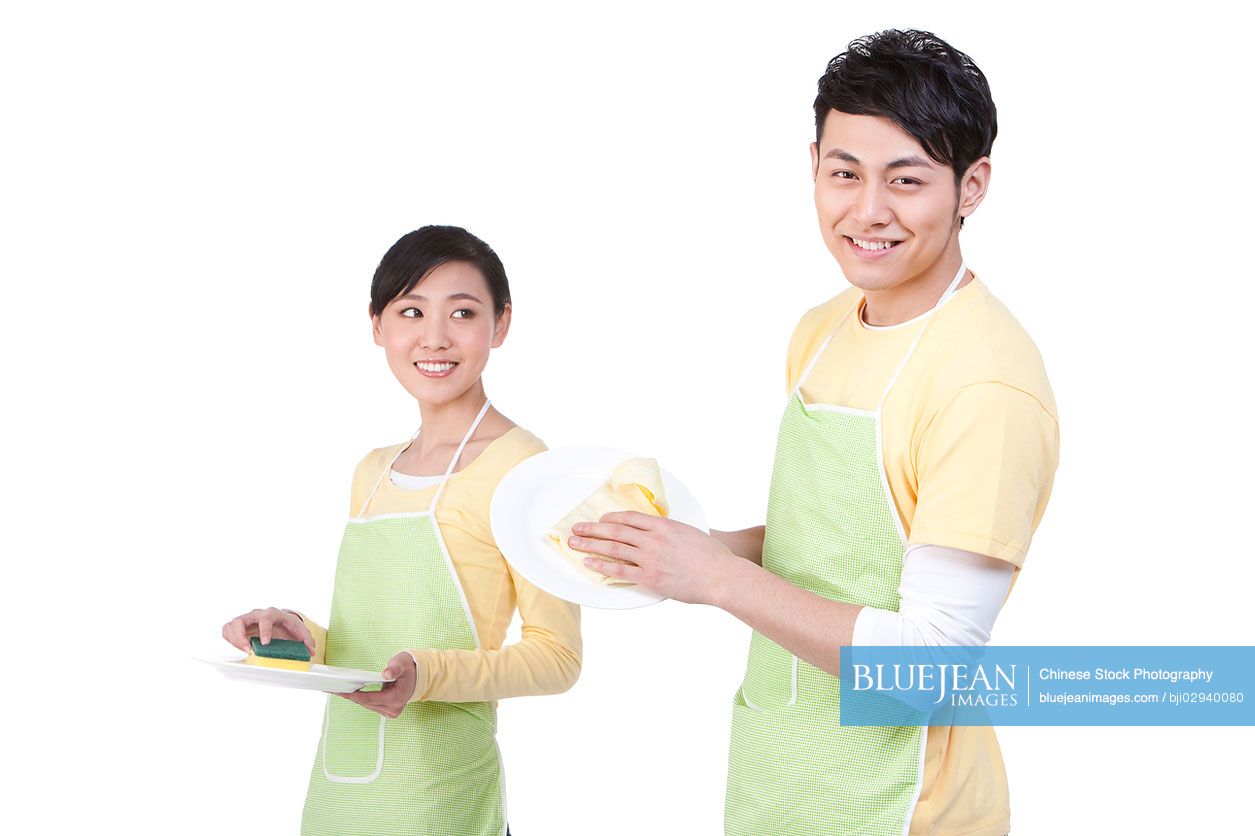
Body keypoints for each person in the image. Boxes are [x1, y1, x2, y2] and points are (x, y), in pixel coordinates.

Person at [570, 30, 1058, 835]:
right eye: (844, 173)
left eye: (905, 180)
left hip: (901, 806)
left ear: (971, 186)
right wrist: (692, 549)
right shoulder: (822, 329)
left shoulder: (986, 384)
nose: (866, 212)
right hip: (782, 777)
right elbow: (837, 542)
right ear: (813, 166)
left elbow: (931, 670)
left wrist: (719, 582)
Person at [222, 225, 582, 836]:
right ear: (377, 325)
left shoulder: (525, 466)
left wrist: (428, 675)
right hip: (344, 795)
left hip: (441, 799)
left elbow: (557, 657)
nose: (434, 337)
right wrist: (297, 637)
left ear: (501, 324)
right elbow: (374, 645)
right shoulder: (374, 469)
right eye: (410, 311)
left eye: (462, 312)